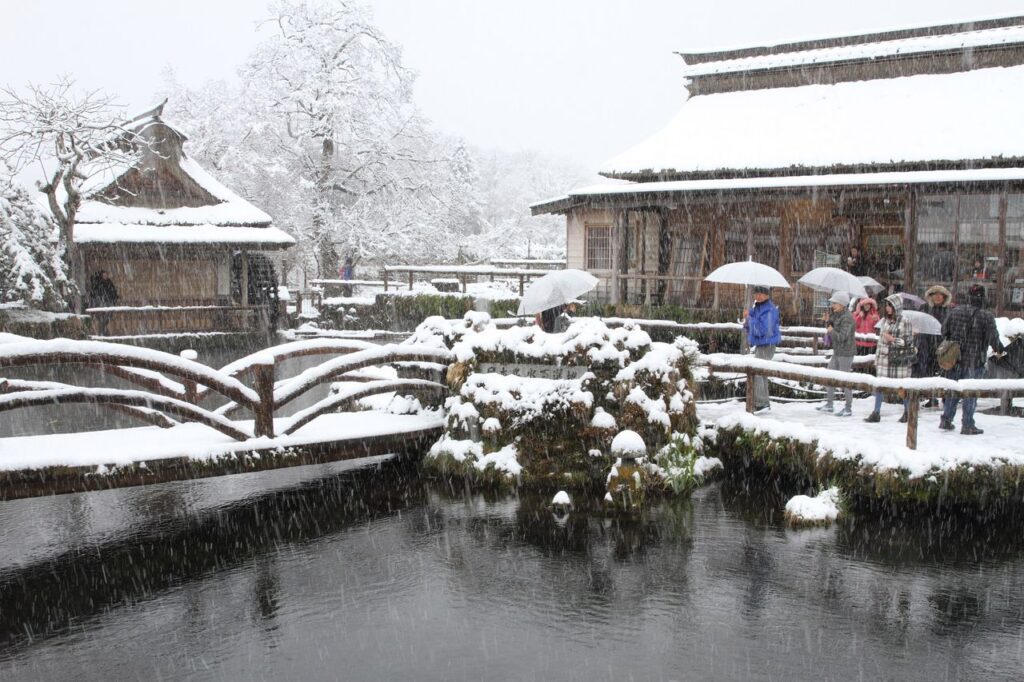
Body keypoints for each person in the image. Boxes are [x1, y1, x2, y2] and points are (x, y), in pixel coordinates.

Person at [940, 283, 1005, 435]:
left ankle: (946, 420)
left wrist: (956, 340)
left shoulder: (955, 311)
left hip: (954, 360)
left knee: (953, 391)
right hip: (975, 360)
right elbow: (993, 339)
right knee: (970, 393)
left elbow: (944, 331)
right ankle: (967, 424)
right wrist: (1001, 352)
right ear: (983, 298)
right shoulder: (986, 316)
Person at [864, 294, 914, 423]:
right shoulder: (885, 320)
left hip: (898, 360)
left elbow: (908, 343)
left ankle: (908, 412)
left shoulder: (905, 321)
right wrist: (877, 359)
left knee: (902, 387)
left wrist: (893, 340)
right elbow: (881, 341)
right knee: (880, 386)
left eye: (890, 306)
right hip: (883, 360)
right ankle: (876, 412)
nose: (887, 308)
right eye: (887, 305)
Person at [743, 286, 781, 414]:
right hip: (762, 344)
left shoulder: (770, 310)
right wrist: (748, 317)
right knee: (761, 373)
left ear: (767, 296)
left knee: (759, 373)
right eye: (756, 294)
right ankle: (762, 402)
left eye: (761, 294)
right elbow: (750, 328)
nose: (758, 296)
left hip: (767, 344)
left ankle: (761, 403)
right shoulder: (757, 308)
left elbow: (764, 330)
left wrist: (749, 319)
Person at [817, 291, 855, 416]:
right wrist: (827, 321)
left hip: (846, 353)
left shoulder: (847, 318)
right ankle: (829, 404)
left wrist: (831, 330)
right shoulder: (837, 314)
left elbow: (842, 337)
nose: (832, 305)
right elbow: (831, 326)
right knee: (830, 375)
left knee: (845, 380)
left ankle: (848, 408)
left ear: (842, 304)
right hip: (837, 351)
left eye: (835, 303)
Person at [915, 285, 951, 407]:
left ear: (944, 297)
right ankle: (926, 396)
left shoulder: (948, 311)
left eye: (940, 294)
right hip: (924, 343)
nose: (937, 297)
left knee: (940, 373)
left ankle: (938, 396)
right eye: (935, 294)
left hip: (941, 345)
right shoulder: (924, 308)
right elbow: (918, 324)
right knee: (924, 370)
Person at [88, 270, 119, 336]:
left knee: (106, 318)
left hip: (108, 303)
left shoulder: (109, 282)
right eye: (104, 275)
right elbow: (94, 294)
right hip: (99, 304)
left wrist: (114, 298)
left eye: (106, 275)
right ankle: (103, 332)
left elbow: (113, 292)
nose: (105, 276)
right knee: (101, 319)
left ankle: (102, 332)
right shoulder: (98, 283)